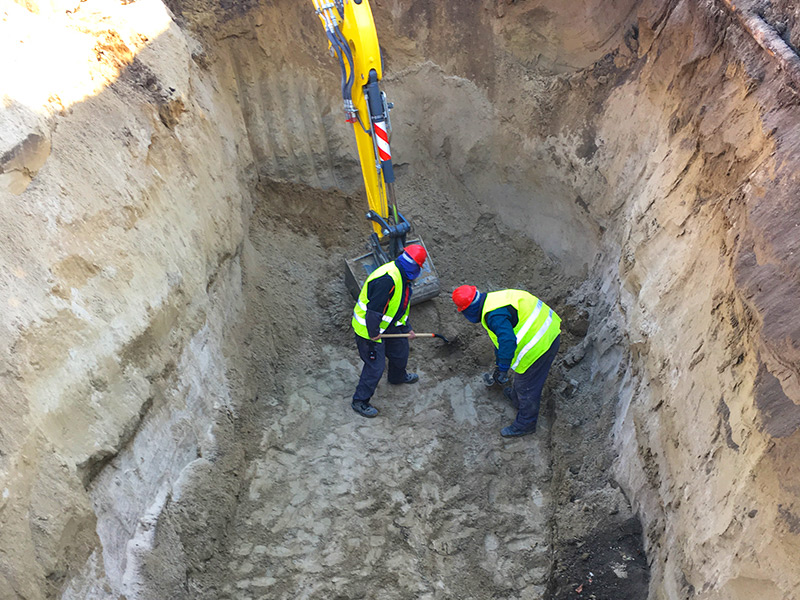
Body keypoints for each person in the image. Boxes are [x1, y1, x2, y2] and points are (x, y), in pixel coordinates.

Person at [452, 285, 561, 437]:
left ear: (468, 309)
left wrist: (503, 369)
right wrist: (499, 364)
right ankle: (517, 400)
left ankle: (526, 424)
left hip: (542, 344)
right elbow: (501, 339)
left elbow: (508, 341)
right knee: (522, 380)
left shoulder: (494, 316)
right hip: (546, 327)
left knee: (527, 386)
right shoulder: (493, 300)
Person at [350, 245, 428, 418]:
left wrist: (407, 329)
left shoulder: (403, 279)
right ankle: (360, 401)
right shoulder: (388, 279)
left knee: (401, 352)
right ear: (415, 267)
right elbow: (373, 311)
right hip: (368, 328)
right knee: (375, 367)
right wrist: (373, 333)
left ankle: (397, 376)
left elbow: (400, 307)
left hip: (389, 325)